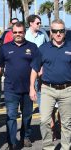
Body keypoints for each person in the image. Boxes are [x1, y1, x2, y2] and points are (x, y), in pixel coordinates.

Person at [0, 21, 39, 150]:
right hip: (10, 88)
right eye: (15, 32)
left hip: (28, 88)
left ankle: (25, 136)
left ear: (24, 32)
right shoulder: (4, 48)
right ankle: (12, 142)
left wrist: (34, 87)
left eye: (20, 32)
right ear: (12, 33)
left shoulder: (33, 47)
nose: (18, 34)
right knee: (11, 116)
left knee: (27, 116)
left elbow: (36, 67)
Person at [30, 19, 71, 150]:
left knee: (66, 123)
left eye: (61, 31)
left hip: (67, 90)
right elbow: (34, 69)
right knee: (44, 121)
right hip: (48, 89)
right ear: (51, 32)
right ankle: (48, 147)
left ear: (64, 32)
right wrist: (31, 87)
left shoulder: (70, 47)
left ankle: (65, 147)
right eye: (55, 31)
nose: (58, 33)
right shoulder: (43, 49)